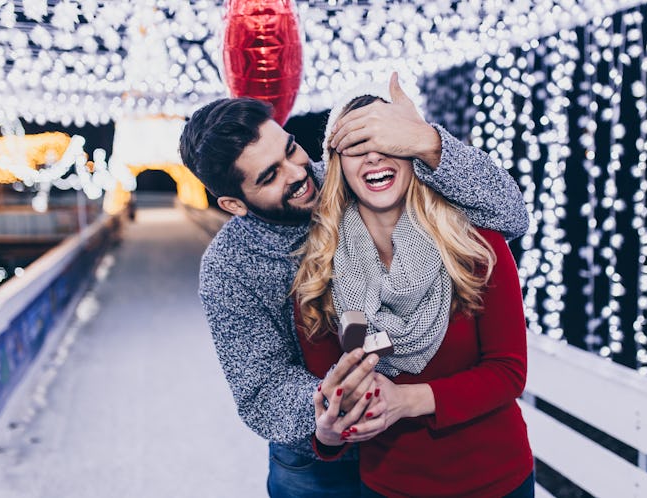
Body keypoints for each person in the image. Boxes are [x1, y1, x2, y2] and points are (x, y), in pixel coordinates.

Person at [178, 73, 530, 497]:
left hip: (426, 452)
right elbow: (261, 389)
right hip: (318, 457)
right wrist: (339, 401)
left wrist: (426, 141)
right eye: (271, 175)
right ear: (234, 204)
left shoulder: (349, 175)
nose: (300, 172)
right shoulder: (229, 268)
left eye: (292, 148)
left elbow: (508, 217)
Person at [292, 88, 534, 497]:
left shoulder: (475, 246)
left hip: (496, 481)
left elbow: (509, 372)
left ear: (410, 154)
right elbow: (331, 402)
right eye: (355, 145)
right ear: (337, 167)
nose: (373, 156)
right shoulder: (319, 274)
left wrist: (406, 400)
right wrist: (331, 429)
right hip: (390, 486)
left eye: (386, 142)